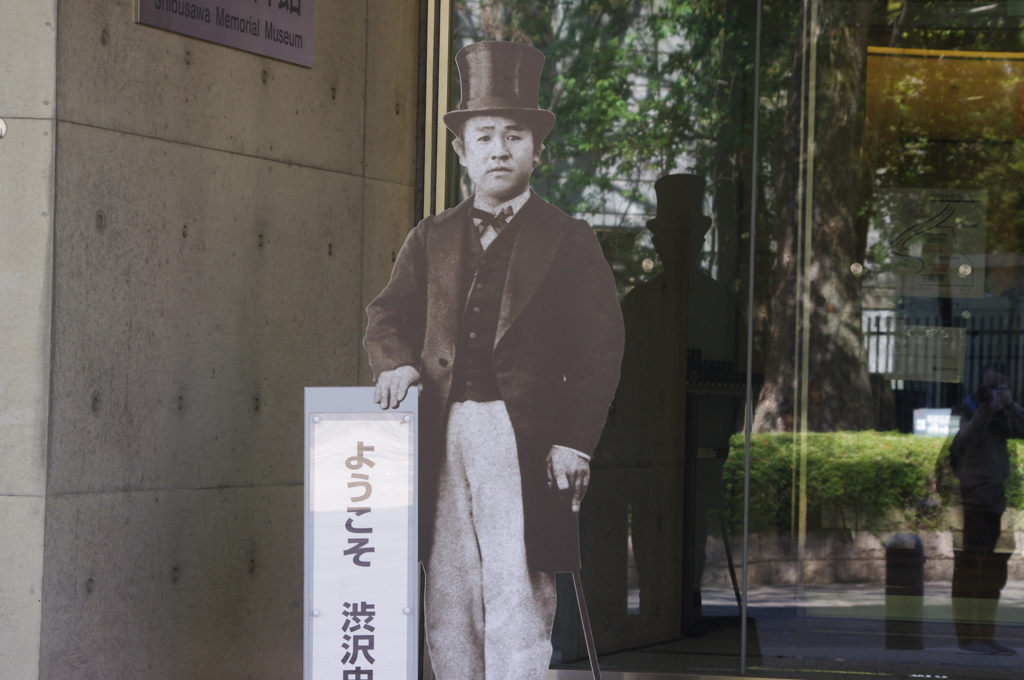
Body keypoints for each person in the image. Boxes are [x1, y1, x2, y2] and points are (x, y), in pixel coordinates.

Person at [363, 41, 624, 680]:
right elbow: (386, 316)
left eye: (515, 136)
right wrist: (395, 364)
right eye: (484, 136)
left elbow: (601, 347)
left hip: (524, 435)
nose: (499, 149)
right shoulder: (430, 236)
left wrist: (574, 442)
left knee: (516, 581)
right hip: (442, 426)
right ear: (461, 151)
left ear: (539, 152)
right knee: (448, 581)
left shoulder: (569, 238)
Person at [949, 362, 1021, 655]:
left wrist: (1010, 406)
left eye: (999, 387)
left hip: (999, 503)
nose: (992, 392)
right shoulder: (969, 409)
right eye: (989, 386)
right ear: (979, 386)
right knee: (971, 572)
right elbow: (959, 444)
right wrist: (984, 412)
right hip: (973, 502)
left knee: (993, 574)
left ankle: (985, 635)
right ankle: (969, 637)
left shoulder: (1006, 414)